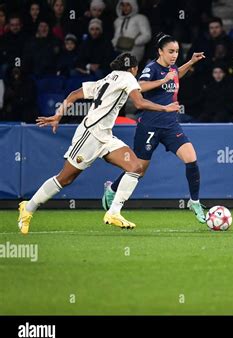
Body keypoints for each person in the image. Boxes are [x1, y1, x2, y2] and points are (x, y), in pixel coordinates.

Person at [17, 53, 180, 234]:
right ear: (133, 68)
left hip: (105, 136)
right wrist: (165, 108)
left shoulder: (107, 78)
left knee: (135, 167)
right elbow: (139, 103)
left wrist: (58, 115)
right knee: (65, 178)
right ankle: (28, 208)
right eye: (137, 69)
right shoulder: (128, 77)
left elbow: (74, 94)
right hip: (90, 135)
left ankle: (114, 212)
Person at [102, 33, 207, 223]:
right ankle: (112, 189)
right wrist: (162, 80)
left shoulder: (172, 68)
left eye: (176, 51)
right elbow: (139, 86)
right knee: (138, 170)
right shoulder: (152, 68)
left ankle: (194, 201)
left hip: (170, 125)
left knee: (191, 159)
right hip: (149, 126)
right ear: (160, 51)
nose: (174, 55)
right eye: (170, 51)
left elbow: (175, 75)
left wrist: (190, 62)